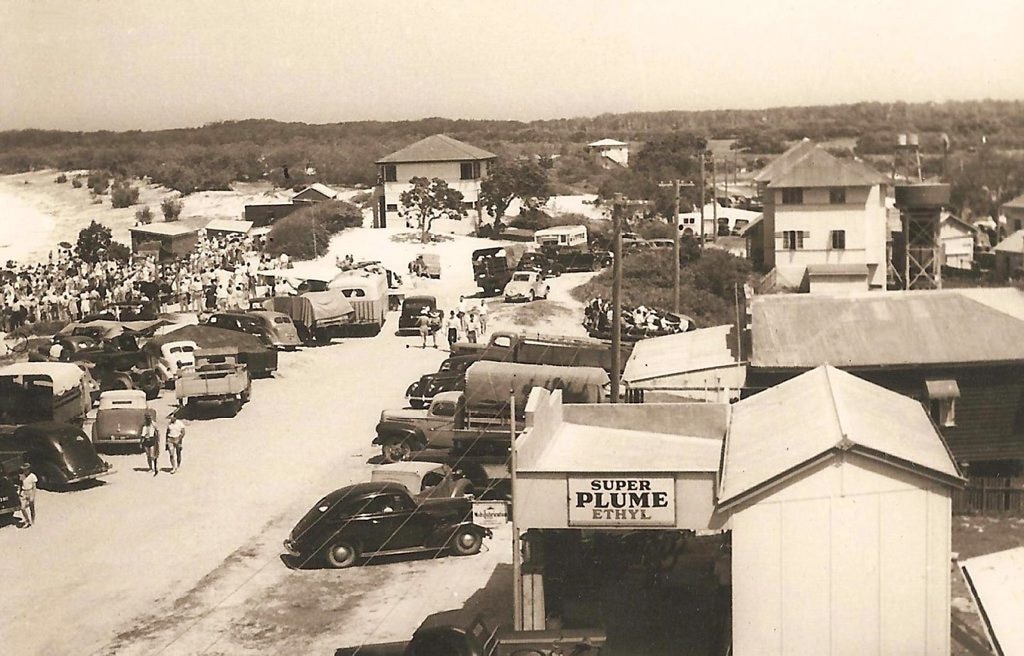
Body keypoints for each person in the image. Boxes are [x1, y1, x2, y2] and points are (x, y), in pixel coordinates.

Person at [18, 463, 37, 528]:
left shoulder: (32, 476)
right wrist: (19, 493)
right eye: (23, 470)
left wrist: (33, 496)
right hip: (24, 492)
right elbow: (20, 485)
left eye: (26, 470)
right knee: (22, 508)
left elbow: (34, 487)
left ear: (29, 470)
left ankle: (33, 520)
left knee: (32, 508)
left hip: (30, 491)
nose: (25, 471)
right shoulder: (22, 476)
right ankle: (27, 521)